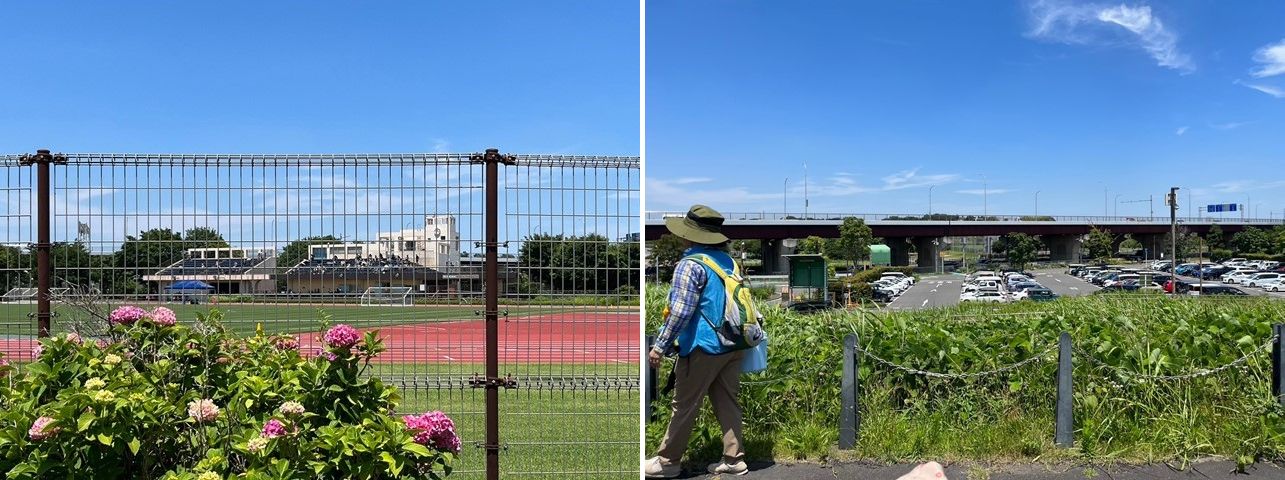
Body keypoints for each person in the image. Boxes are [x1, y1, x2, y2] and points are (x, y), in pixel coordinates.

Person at [644, 205, 749, 478]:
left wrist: (660, 346)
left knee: (685, 405)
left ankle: (668, 462)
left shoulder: (689, 265)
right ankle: (734, 458)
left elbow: (681, 311)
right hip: (733, 344)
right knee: (727, 401)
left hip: (702, 346)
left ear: (689, 235)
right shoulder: (729, 262)